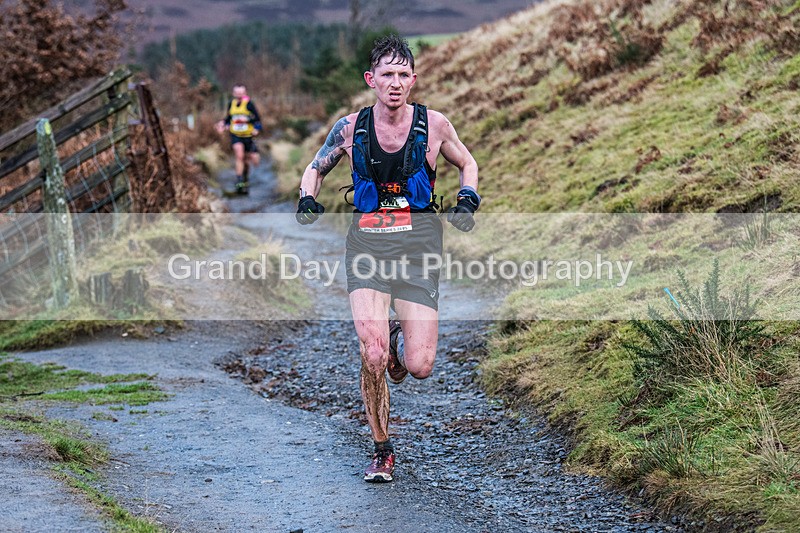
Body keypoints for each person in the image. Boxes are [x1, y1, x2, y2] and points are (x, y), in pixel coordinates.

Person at [295, 35, 480, 482]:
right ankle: (381, 448)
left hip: (419, 249)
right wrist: (306, 197)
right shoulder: (349, 128)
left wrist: (468, 198)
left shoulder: (434, 125)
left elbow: (466, 162)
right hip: (368, 248)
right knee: (372, 353)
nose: (395, 83)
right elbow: (316, 167)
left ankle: (399, 338)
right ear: (371, 79)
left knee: (419, 366)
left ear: (412, 80)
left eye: (403, 75)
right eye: (387, 75)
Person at [215, 84, 262, 194]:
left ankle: (245, 177)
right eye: (237, 93)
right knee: (239, 156)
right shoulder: (231, 104)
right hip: (236, 135)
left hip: (248, 136)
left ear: (245, 93)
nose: (239, 95)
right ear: (234, 93)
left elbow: (258, 120)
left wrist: (255, 128)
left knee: (250, 160)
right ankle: (239, 180)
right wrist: (222, 124)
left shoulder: (249, 104)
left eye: (241, 93)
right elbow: (229, 118)